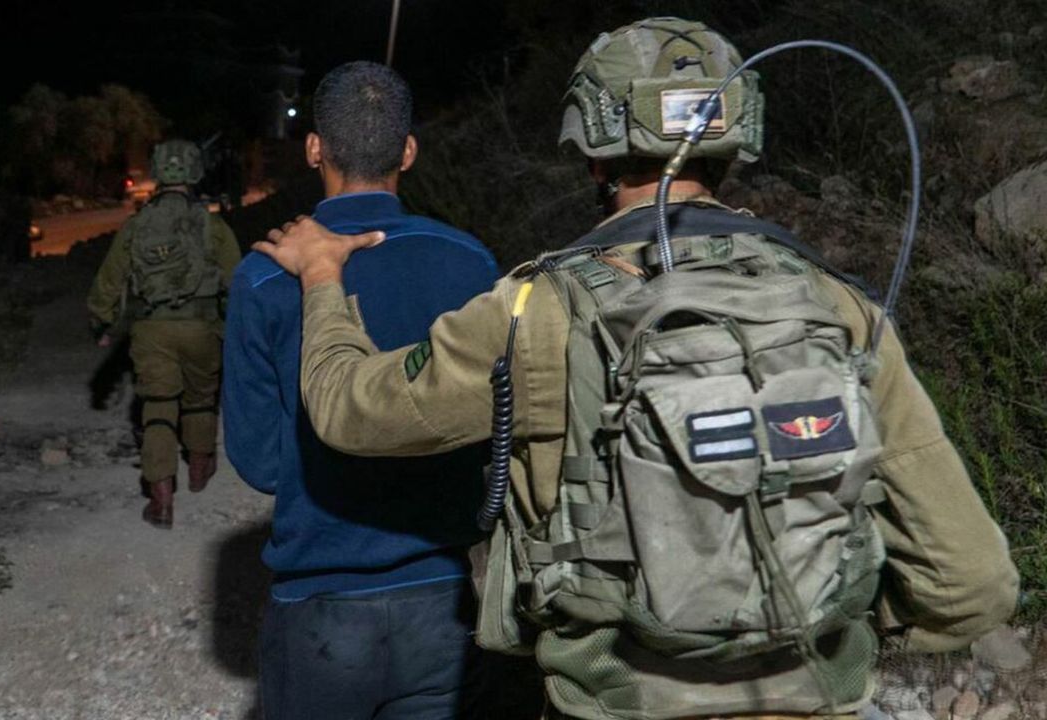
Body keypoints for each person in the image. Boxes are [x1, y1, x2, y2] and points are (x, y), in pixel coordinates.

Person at [251, 19, 1020, 720]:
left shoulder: (535, 309)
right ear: (734, 143)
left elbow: (351, 411)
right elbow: (972, 582)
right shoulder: (837, 307)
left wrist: (322, 277)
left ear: (593, 150)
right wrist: (821, 620)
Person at [222, 61, 500, 720]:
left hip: (320, 610)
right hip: (442, 603)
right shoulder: (472, 263)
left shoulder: (265, 278)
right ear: (408, 151)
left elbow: (261, 464)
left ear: (314, 148)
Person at [87, 139, 240, 528]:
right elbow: (237, 281)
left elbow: (110, 280)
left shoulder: (137, 225)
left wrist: (102, 322)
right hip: (202, 327)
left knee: (158, 406)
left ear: (157, 173)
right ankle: (200, 471)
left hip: (152, 329)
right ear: (195, 173)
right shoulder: (212, 225)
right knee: (201, 399)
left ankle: (161, 500)